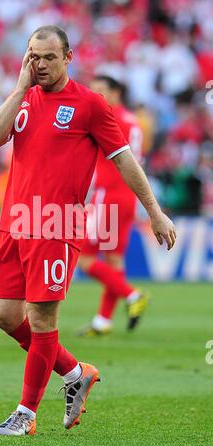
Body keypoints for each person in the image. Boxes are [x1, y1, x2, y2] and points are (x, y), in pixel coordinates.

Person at [0, 25, 176, 437]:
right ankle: (75, 372)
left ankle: (26, 413)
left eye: (49, 57)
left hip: (56, 223)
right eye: (34, 57)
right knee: (3, 315)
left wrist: (155, 211)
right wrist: (19, 87)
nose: (41, 65)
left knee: (41, 319)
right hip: (15, 222)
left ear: (68, 57)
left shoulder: (90, 105)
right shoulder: (25, 98)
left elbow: (125, 160)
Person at [78, 75, 149, 336]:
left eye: (101, 92)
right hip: (127, 195)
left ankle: (132, 295)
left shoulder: (109, 117)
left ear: (116, 92)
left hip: (108, 195)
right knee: (113, 259)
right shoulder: (132, 119)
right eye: (93, 92)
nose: (97, 97)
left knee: (82, 257)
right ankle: (103, 321)